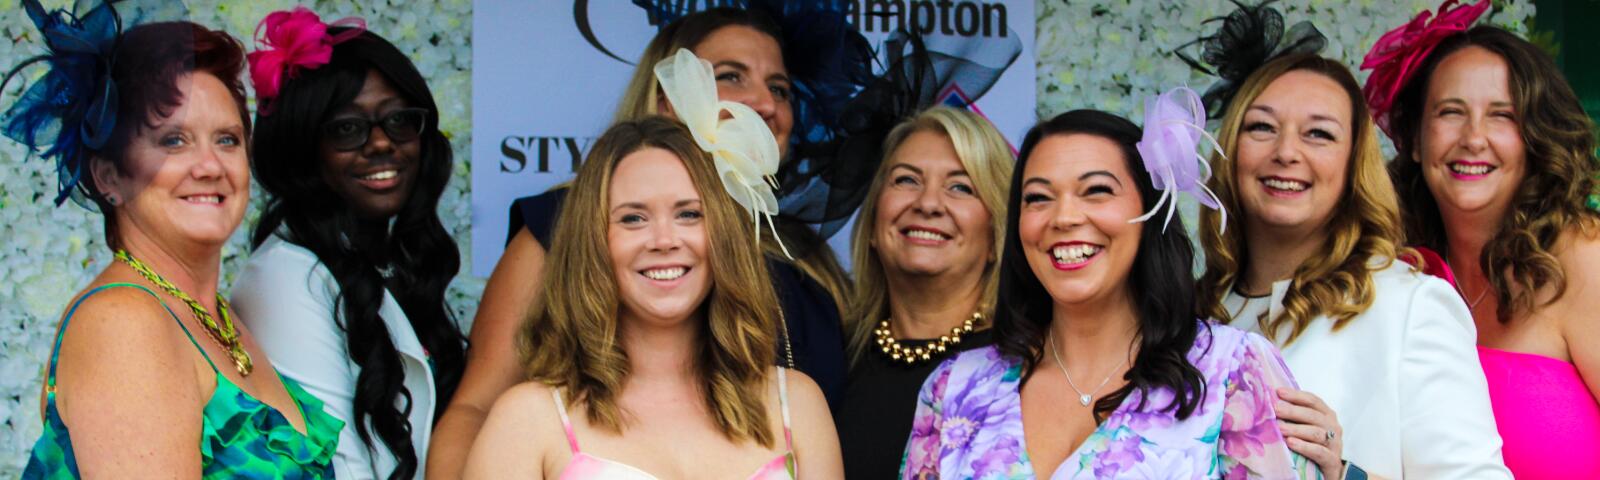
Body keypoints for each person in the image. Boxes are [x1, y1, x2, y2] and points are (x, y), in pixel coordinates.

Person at [428, 7, 866, 476]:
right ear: (667, 100)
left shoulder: (808, 264)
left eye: (779, 88)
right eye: (731, 77)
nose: (763, 102)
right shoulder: (564, 225)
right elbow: (475, 409)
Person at [3, 3, 341, 476]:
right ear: (107, 176)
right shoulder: (123, 322)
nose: (210, 165)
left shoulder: (218, 318)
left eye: (226, 139)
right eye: (173, 141)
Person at [903, 107, 1317, 479]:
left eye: (1096, 190)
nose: (1064, 217)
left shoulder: (1232, 372)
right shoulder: (954, 387)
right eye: (1038, 198)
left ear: (1149, 212)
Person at [461, 117, 842, 479]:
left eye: (689, 214)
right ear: (593, 242)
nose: (664, 240)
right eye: (633, 218)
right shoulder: (528, 418)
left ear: (723, 237)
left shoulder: (797, 403)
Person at [1196, 52, 1512, 478]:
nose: (1286, 151)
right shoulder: (1190, 312)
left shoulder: (1410, 306)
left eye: (1319, 134)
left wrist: (1343, 474)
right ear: (1230, 149)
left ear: (1353, 165)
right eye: (1262, 127)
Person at [1364, 1, 1600, 476]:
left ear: (1535, 136)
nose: (1474, 138)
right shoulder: (1395, 270)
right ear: (1413, 138)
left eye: (1501, 115)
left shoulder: (1582, 256)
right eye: (1451, 112)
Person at [229, 7, 466, 480]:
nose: (381, 144)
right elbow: (339, 466)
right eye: (346, 128)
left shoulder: (392, 261)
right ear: (302, 147)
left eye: (400, 121)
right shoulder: (283, 277)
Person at [833, 106, 1013, 479]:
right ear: (871, 225)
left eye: (960, 187)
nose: (928, 204)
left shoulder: (1024, 366)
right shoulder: (828, 362)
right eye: (906, 180)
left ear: (996, 237)